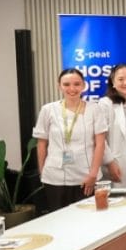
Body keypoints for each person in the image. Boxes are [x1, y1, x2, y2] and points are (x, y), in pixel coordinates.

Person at [34, 68, 107, 211]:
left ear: (83, 85)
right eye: (66, 84)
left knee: (86, 217)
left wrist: (93, 174)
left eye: (77, 84)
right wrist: (43, 172)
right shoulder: (48, 110)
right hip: (54, 177)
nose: (72, 89)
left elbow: (100, 144)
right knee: (58, 218)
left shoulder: (94, 109)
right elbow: (41, 143)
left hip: (85, 176)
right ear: (59, 86)